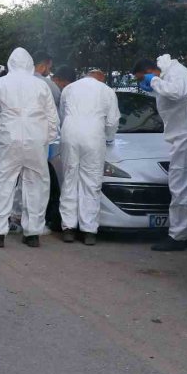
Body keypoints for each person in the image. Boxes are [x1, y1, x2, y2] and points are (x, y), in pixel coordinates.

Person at [0, 48, 59, 248]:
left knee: (2, 185)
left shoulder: (0, 84)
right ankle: (32, 233)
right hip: (36, 141)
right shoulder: (41, 86)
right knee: (37, 187)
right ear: (30, 64)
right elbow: (52, 117)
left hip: (9, 139)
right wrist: (50, 141)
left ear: (10, 64)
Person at [133, 55, 187, 251]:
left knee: (180, 186)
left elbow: (177, 92)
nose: (143, 84)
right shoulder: (168, 74)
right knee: (185, 186)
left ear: (150, 71)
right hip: (183, 135)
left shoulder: (176, 73)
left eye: (142, 79)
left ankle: (179, 236)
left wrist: (154, 81)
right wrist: (155, 83)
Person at [57, 66, 120, 246]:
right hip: (93, 137)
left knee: (69, 180)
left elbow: (63, 114)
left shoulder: (69, 88)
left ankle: (68, 228)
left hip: (69, 135)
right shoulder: (107, 91)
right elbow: (112, 121)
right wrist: (108, 137)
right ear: (100, 78)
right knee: (91, 183)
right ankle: (89, 231)